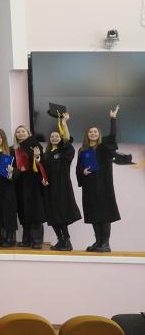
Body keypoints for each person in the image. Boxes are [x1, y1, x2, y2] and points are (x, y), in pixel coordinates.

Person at [77, 106, 121, 252]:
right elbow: (78, 168)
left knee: (104, 215)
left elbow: (113, 136)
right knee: (93, 215)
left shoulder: (104, 147)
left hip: (103, 187)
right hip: (89, 188)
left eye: (95, 131)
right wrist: (82, 171)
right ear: (87, 135)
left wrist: (113, 119)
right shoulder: (82, 150)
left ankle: (105, 244)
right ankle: (98, 242)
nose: (93, 133)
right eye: (90, 132)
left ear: (99, 134)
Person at [40, 113, 81, 251]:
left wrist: (64, 123)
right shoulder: (47, 154)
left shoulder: (64, 152)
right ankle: (60, 240)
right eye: (52, 136)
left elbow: (67, 141)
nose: (54, 138)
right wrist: (43, 179)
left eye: (57, 136)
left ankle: (67, 241)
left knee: (61, 214)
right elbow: (42, 170)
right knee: (52, 215)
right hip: (49, 188)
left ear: (60, 138)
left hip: (62, 187)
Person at [12, 125, 46, 249]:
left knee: (35, 211)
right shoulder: (13, 149)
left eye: (23, 131)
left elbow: (42, 164)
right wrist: (16, 170)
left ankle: (37, 240)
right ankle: (26, 240)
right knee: (23, 211)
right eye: (18, 132)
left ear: (28, 133)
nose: (21, 133)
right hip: (20, 183)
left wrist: (36, 157)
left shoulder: (35, 146)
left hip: (33, 183)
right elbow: (10, 167)